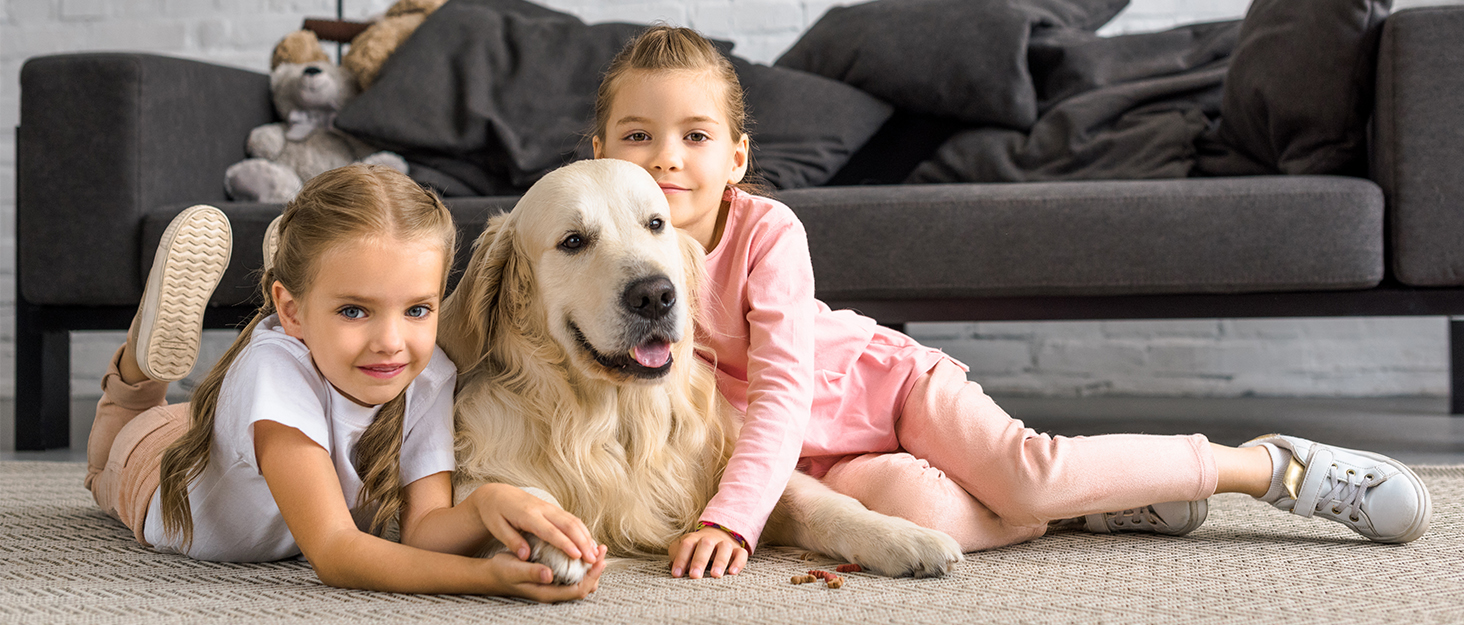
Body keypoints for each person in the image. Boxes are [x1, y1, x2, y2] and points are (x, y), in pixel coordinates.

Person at [590, 25, 1434, 580]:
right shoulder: (604, 264)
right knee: (923, 515)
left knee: (1029, 473)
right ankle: (1097, 505)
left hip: (885, 391)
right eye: (638, 135)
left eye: (695, 136)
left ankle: (1267, 466)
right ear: (598, 153)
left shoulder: (767, 232)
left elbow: (777, 391)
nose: (667, 158)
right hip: (814, 457)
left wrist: (733, 521)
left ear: (736, 156)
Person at [84, 164, 607, 600]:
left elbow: (426, 532)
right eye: (356, 310)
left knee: (224, 414)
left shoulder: (429, 376)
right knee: (107, 453)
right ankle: (138, 373)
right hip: (156, 466)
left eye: (418, 309)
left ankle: (314, 285)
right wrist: (484, 579)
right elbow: (335, 550)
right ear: (291, 313)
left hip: (255, 432)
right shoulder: (274, 373)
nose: (391, 342)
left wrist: (492, 503)